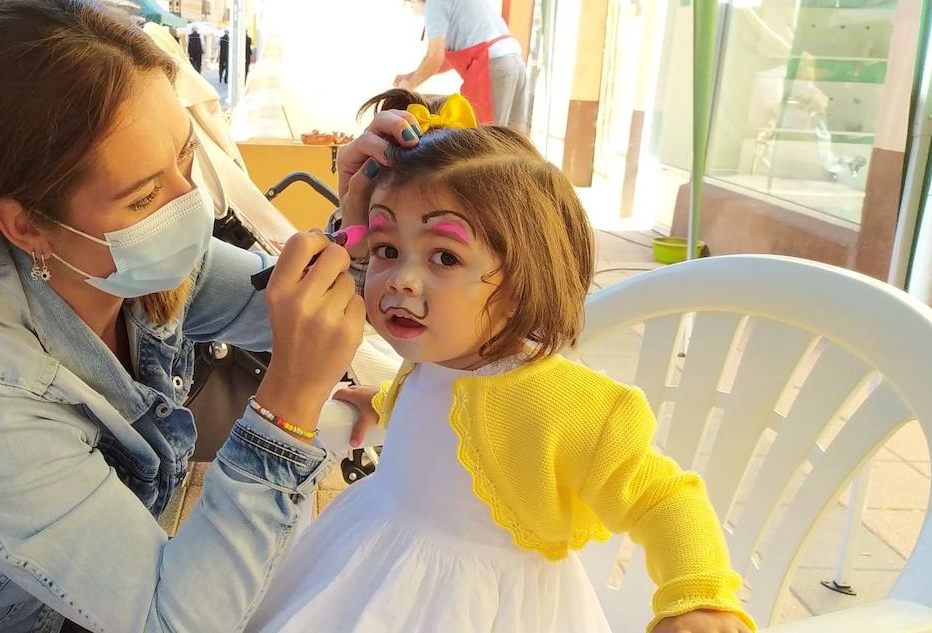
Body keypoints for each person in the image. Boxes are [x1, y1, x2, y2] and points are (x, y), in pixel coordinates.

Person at [0, 1, 421, 632]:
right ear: (25, 223)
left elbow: (290, 306)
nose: (189, 203)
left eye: (185, 160)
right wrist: (289, 407)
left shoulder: (127, 265)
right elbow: (175, 618)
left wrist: (363, 226)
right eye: (143, 196)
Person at [248, 90, 756, 633]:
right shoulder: (437, 349)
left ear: (522, 282)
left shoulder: (566, 404)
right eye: (387, 249)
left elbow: (663, 495)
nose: (399, 278)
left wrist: (699, 598)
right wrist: (382, 405)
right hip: (374, 556)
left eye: (445, 256)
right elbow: (445, 421)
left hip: (489, 607)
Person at [395, 0, 526, 129]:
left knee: (483, 138)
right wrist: (412, 76)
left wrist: (408, 86)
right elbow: (444, 61)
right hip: (515, 60)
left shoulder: (434, 4)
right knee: (514, 138)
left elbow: (435, 57)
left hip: (491, 64)